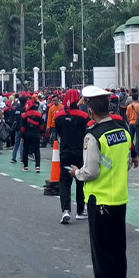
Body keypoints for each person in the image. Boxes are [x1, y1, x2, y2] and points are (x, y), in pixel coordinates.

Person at [69, 86, 138, 278]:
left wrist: (77, 173)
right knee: (118, 255)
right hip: (119, 200)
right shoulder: (123, 132)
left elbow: (91, 171)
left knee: (102, 257)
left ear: (90, 109)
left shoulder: (93, 136)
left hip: (100, 202)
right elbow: (126, 164)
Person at [55, 89, 89, 224]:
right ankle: (80, 211)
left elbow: (57, 131)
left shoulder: (59, 116)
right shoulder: (83, 115)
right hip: (80, 152)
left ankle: (65, 211)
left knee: (65, 181)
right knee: (80, 180)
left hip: (65, 151)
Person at [21, 99, 44, 172]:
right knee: (37, 150)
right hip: (36, 134)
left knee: (25, 150)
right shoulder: (39, 114)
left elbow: (22, 127)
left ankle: (25, 166)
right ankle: (37, 166)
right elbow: (42, 126)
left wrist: (22, 136)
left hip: (27, 135)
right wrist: (41, 134)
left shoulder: (24, 115)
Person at [11, 96, 26, 163]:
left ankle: (13, 157)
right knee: (22, 142)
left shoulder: (16, 107)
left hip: (17, 126)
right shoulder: (24, 108)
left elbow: (13, 117)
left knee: (16, 142)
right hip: (22, 126)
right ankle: (22, 157)